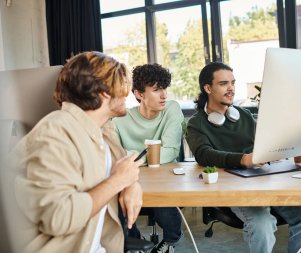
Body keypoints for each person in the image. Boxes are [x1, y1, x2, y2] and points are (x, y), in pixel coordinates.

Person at [8, 51, 144, 253]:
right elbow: (59, 218)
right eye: (122, 86)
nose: (128, 93)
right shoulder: (53, 133)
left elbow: (122, 168)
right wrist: (118, 182)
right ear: (104, 91)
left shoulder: (103, 130)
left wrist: (132, 184)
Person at [186, 62, 301, 253]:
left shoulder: (244, 115)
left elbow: (269, 140)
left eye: (233, 82)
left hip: (264, 179)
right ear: (207, 88)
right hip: (233, 188)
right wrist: (243, 159)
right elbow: (203, 154)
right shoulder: (196, 124)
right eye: (224, 83)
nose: (231, 88)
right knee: (262, 223)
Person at [113, 63, 184, 253]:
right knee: (115, 198)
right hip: (132, 178)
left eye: (164, 89)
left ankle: (170, 241)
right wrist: (149, 155)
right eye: (156, 90)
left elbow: (171, 151)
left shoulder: (171, 109)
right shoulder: (120, 119)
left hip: (164, 177)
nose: (164, 95)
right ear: (139, 94)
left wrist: (131, 157)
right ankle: (137, 242)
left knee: (163, 202)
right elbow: (115, 156)